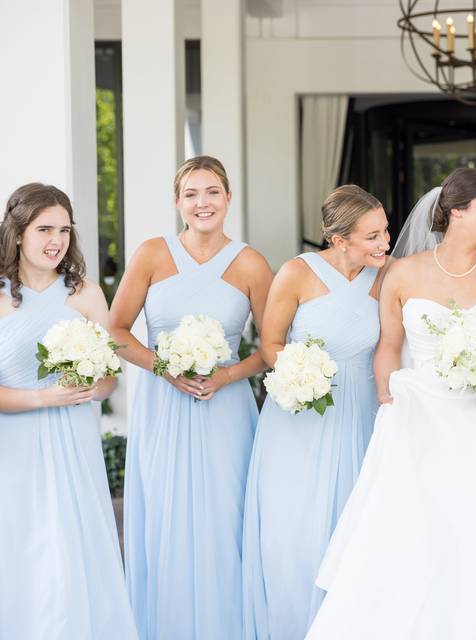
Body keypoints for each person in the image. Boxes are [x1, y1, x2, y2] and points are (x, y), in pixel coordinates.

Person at [305, 168, 476, 639]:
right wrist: (389, 402)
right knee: (415, 536)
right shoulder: (402, 273)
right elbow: (388, 346)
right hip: (417, 422)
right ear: (456, 211)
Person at [109, 156, 273, 639]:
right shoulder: (151, 254)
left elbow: (270, 347)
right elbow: (115, 330)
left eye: (212, 193)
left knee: (226, 518)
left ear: (228, 198)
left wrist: (226, 377)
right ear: (178, 202)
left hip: (225, 409)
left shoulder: (251, 263)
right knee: (164, 517)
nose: (203, 203)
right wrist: (162, 367)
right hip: (162, 407)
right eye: (191, 194)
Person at [241, 185, 389, 638]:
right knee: (297, 533)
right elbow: (270, 343)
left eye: (386, 231)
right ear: (340, 240)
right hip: (299, 419)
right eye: (373, 236)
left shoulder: (387, 276)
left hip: (362, 416)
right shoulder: (295, 273)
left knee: (356, 530)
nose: (385, 242)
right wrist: (297, 375)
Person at [0, 183, 137, 639]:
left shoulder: (85, 294)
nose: (56, 239)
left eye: (64, 229)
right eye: (44, 229)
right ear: (18, 233)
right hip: (13, 449)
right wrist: (43, 397)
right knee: (24, 550)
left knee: (71, 551)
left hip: (74, 445)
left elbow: (109, 380)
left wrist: (89, 386)